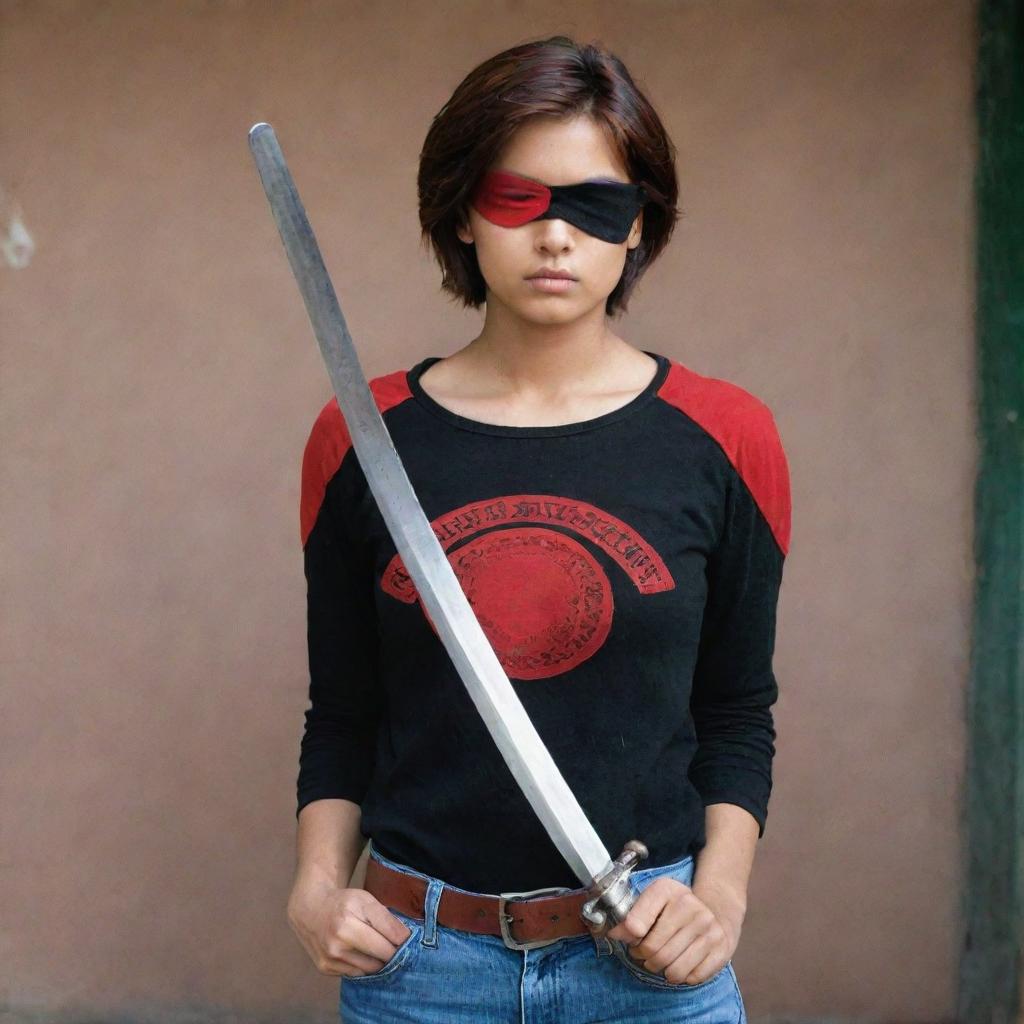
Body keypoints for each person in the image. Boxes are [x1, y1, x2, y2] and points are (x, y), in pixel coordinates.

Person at [286, 34, 791, 1024]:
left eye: (594, 205)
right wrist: (315, 884)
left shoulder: (726, 437)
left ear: (637, 227)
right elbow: (342, 711)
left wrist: (719, 900)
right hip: (421, 968)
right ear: (463, 217)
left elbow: (735, 713)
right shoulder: (360, 438)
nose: (556, 234)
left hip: (649, 966)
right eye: (517, 198)